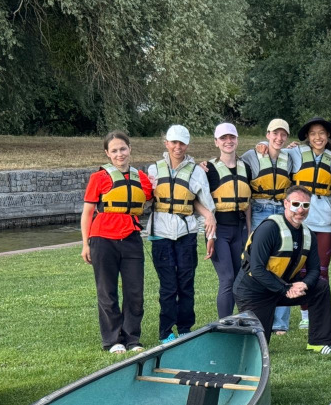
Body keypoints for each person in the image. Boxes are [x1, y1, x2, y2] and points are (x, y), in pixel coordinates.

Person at [233, 185, 331, 355]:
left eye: (306, 205)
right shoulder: (269, 229)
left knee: (320, 287)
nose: (301, 210)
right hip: (254, 292)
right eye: (296, 204)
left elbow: (314, 269)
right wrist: (286, 289)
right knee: (257, 349)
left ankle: (319, 342)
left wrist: (304, 285)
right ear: (286, 203)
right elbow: (257, 269)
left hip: (282, 289)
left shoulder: (307, 234)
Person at [80, 132, 153, 353]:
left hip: (131, 239)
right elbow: (87, 213)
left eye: (122, 148)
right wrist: (85, 244)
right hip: (102, 240)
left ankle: (132, 339)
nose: (119, 154)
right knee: (107, 292)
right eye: (114, 150)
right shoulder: (98, 178)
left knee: (135, 292)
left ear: (130, 149)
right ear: (107, 153)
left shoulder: (141, 178)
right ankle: (113, 340)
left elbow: (156, 194)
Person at [147, 125, 217, 344]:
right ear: (166, 143)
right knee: (168, 286)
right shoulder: (153, 170)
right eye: (173, 142)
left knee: (186, 283)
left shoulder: (196, 171)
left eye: (182, 143)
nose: (177, 147)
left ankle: (185, 328)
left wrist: (210, 229)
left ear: (187, 145)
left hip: (186, 234)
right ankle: (166, 332)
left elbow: (203, 203)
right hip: (160, 234)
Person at [241, 118, 294, 335]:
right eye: (275, 134)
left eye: (283, 135)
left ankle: (280, 322)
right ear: (267, 133)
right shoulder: (250, 156)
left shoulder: (290, 157)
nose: (279, 138)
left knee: (284, 262)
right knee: (259, 264)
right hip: (260, 209)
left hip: (282, 210)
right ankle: (257, 314)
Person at [290, 117, 331, 330]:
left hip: (325, 220)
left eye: (322, 133)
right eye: (313, 134)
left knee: (322, 269)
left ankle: (320, 311)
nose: (318, 137)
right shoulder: (295, 153)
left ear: (327, 136)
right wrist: (262, 145)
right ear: (307, 138)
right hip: (301, 218)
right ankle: (305, 314)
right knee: (301, 269)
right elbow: (273, 153)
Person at [205, 122, 252, 319]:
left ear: (237, 140)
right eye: (223, 138)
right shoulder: (208, 169)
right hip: (220, 230)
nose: (228, 141)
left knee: (240, 279)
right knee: (227, 278)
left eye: (231, 137)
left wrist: (250, 233)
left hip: (240, 229)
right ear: (216, 142)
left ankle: (241, 319)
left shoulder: (246, 168)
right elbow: (200, 200)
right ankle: (224, 322)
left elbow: (248, 202)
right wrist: (210, 234)